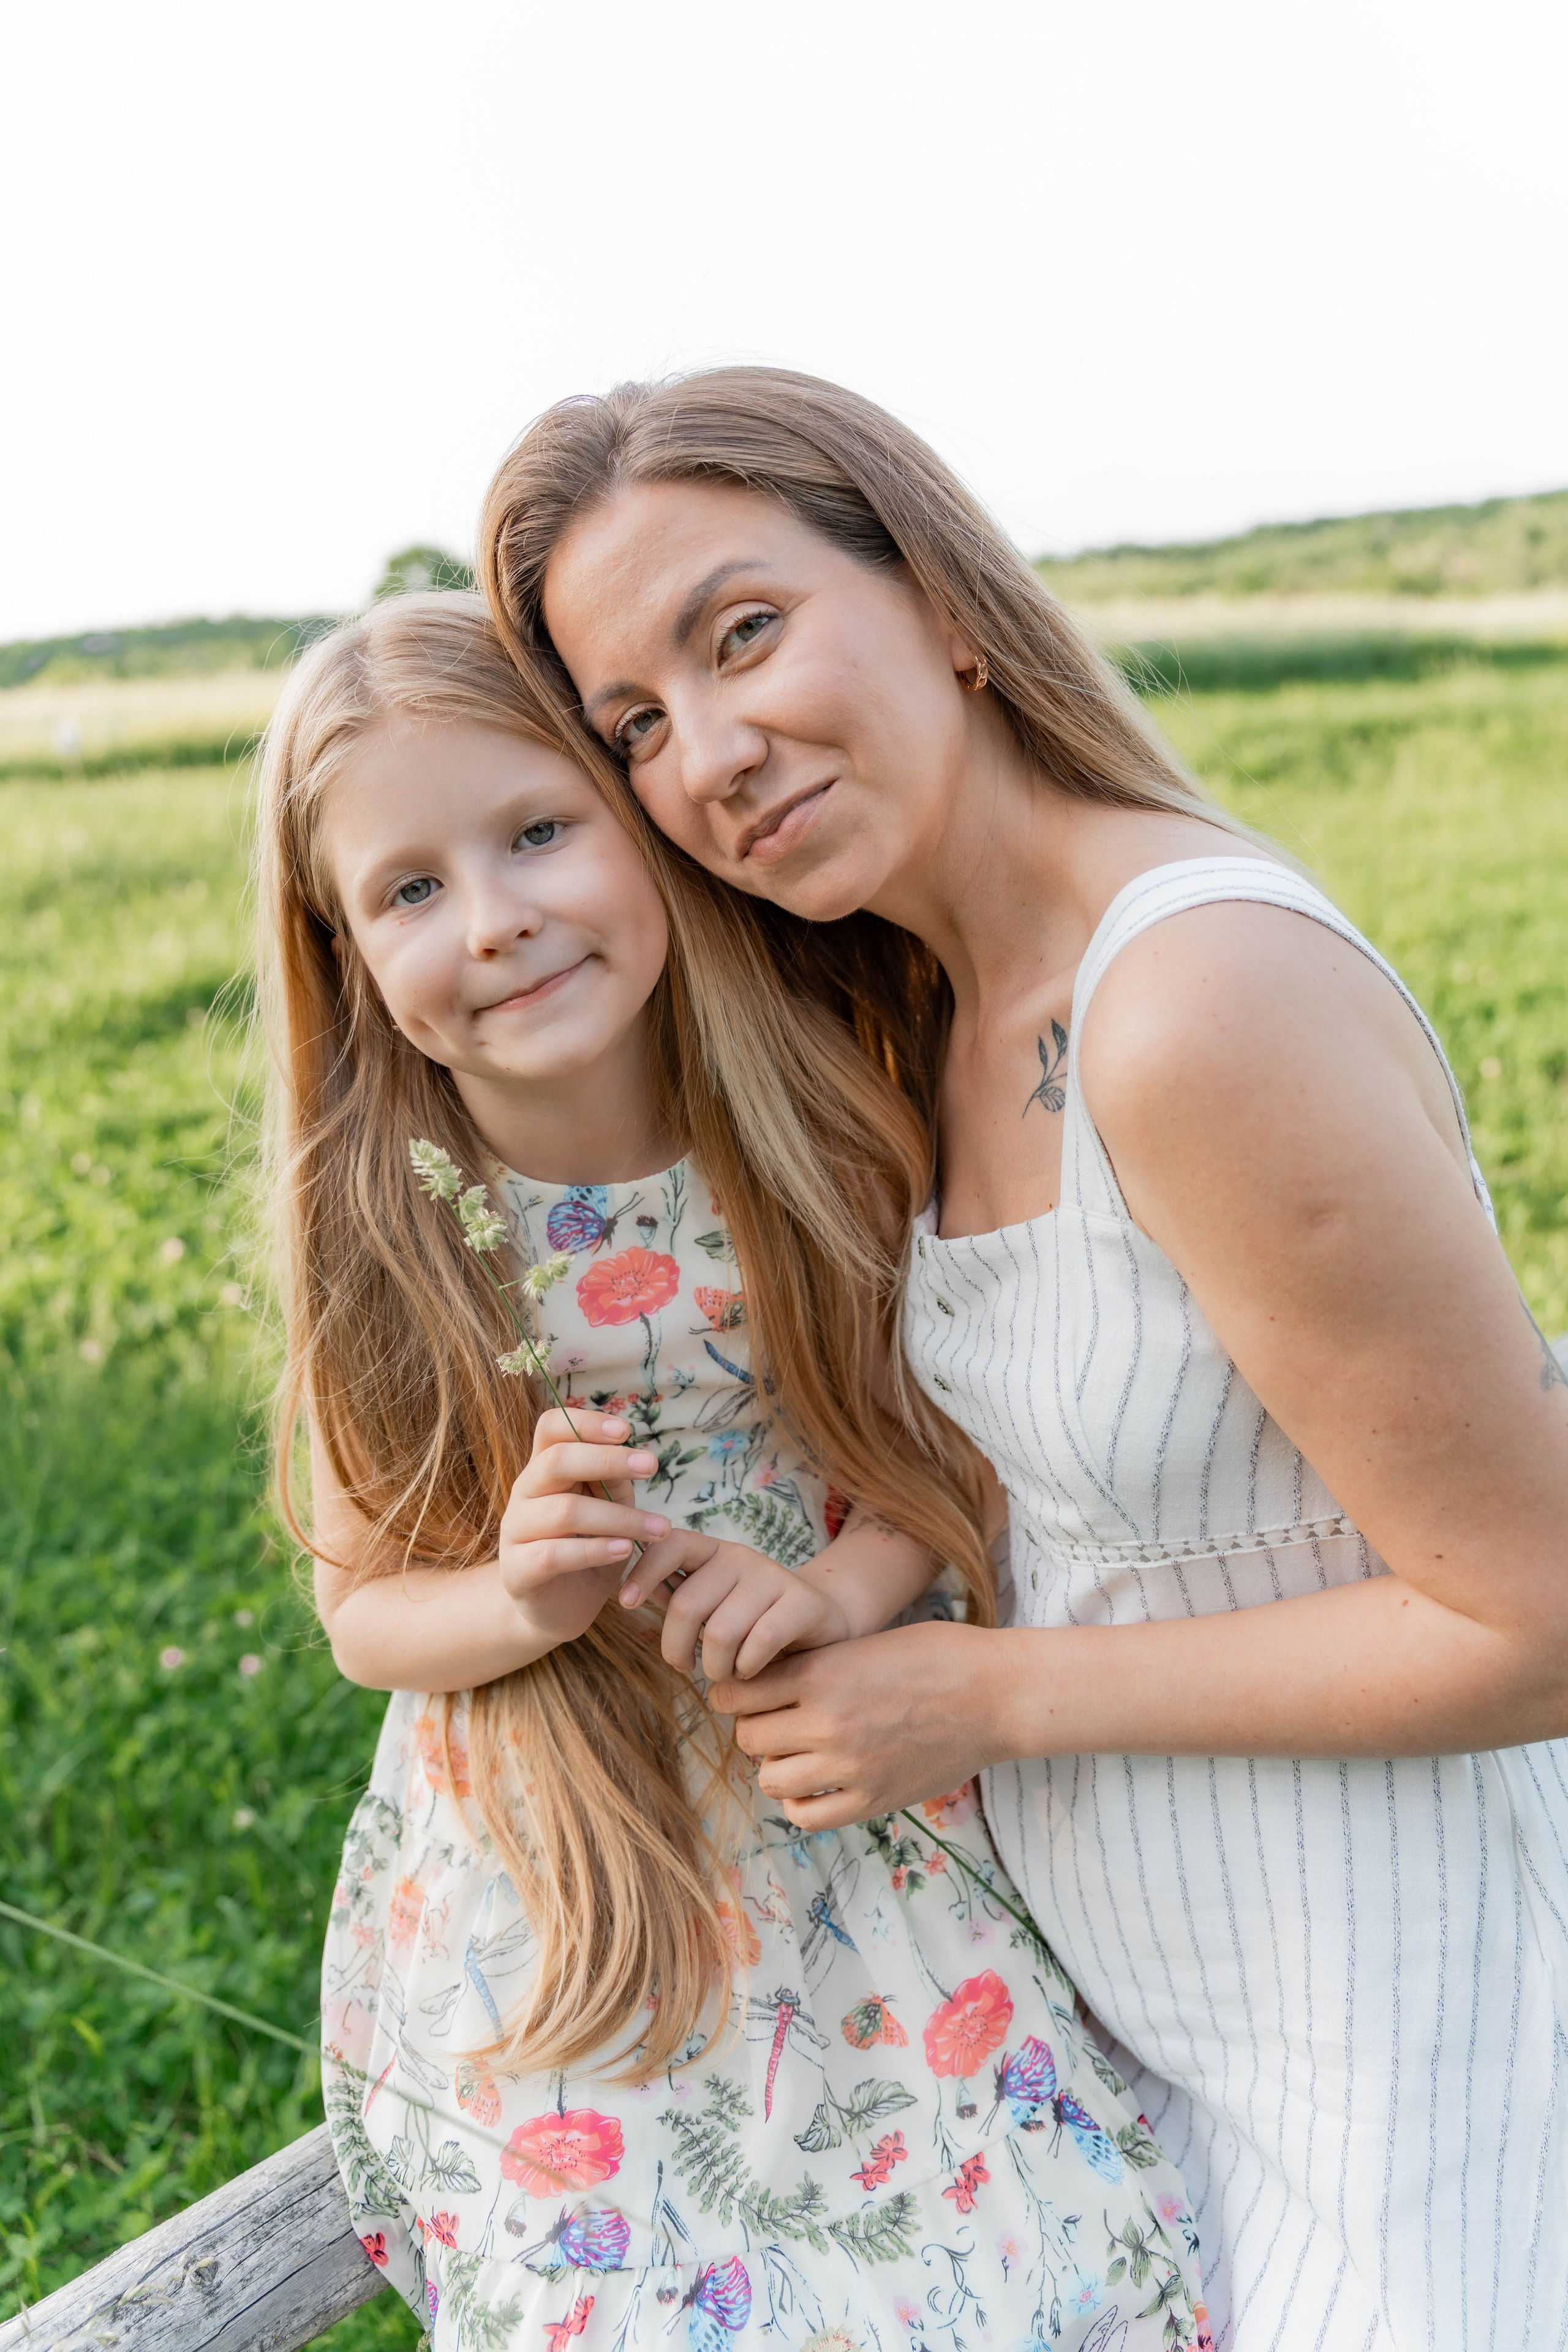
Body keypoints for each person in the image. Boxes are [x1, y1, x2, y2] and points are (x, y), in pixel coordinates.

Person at [479, 369, 1568, 2350]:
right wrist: (845, 1585)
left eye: (745, 632)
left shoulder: (1192, 1002)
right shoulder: (934, 1016)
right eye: (635, 723)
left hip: (1422, 2059)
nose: (709, 750)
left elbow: (1544, 1617)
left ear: (948, 602)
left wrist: (982, 1693)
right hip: (1181, 2067)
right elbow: (1107, 1457)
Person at [254, 592, 1210, 2352]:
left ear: (640, 829)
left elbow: (951, 1444)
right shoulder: (385, 1224)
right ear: (343, 950)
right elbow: (361, 1615)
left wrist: (836, 1589)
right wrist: (518, 1595)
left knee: (1040, 2260)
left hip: (855, 1788)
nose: (498, 920)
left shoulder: (816, 1105)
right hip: (572, 1857)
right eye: (410, 891)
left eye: (541, 831)